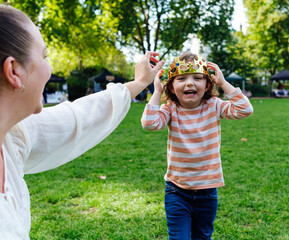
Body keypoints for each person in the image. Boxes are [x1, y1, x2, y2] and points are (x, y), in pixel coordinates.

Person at [0, 4, 165, 239]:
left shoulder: (13, 134)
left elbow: (78, 117)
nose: (50, 69)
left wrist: (138, 83)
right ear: (14, 71)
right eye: (44, 56)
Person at [141, 52, 253, 239]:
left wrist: (224, 83)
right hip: (177, 191)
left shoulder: (214, 105)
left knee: (202, 236)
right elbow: (150, 123)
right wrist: (157, 92)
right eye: (182, 78)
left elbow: (245, 110)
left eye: (197, 78)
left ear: (208, 84)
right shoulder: (170, 108)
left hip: (207, 191)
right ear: (172, 86)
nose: (190, 83)